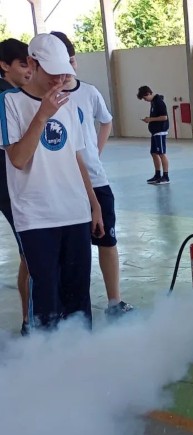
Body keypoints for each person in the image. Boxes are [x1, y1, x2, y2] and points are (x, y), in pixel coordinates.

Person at [0, 33, 104, 330]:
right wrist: (43, 114)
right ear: (32, 63)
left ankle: (80, 359)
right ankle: (45, 364)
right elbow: (18, 158)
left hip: (75, 212)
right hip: (36, 217)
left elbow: (77, 158)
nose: (58, 80)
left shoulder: (69, 105)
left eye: (63, 74)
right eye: (52, 73)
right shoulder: (10, 103)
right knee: (46, 296)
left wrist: (94, 205)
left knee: (78, 296)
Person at [51, 31, 133, 318]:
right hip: (63, 185)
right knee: (68, 252)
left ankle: (114, 302)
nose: (66, 68)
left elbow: (106, 121)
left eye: (70, 61)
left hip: (96, 181)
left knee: (107, 241)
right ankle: (69, 309)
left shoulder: (89, 92)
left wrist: (95, 151)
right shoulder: (46, 98)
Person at [0, 38, 32, 335]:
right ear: (4, 66)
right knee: (32, 253)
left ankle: (30, 318)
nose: (29, 70)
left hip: (18, 188)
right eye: (23, 64)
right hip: (9, 190)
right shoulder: (6, 99)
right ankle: (29, 320)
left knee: (30, 254)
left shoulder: (20, 94)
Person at [137, 85, 169, 185]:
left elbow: (164, 117)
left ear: (149, 93)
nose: (145, 100)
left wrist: (150, 119)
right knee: (154, 153)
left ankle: (166, 176)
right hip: (154, 132)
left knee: (161, 153)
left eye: (145, 98)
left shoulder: (159, 102)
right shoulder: (153, 102)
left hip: (160, 131)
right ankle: (157, 174)